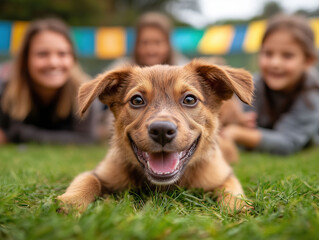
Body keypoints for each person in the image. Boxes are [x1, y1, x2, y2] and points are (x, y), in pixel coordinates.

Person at [222, 14, 319, 155]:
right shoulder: (255, 85)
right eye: (268, 53)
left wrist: (238, 133)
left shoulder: (311, 93)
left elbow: (287, 143)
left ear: (308, 61)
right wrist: (238, 121)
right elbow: (243, 121)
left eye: (287, 55)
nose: (275, 63)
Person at [0, 18, 98, 145]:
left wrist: (17, 134)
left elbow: (85, 140)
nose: (53, 63)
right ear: (25, 59)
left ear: (73, 59)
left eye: (62, 54)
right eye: (42, 54)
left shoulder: (86, 94)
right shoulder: (6, 91)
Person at [107, 12, 189, 70]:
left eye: (157, 42)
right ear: (136, 45)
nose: (151, 50)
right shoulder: (121, 70)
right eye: (144, 42)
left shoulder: (185, 69)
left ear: (168, 44)